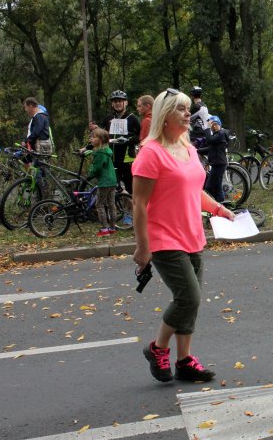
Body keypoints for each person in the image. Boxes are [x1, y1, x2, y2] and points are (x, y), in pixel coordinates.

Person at [132, 88, 234, 383]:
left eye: (188, 109)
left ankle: (185, 360)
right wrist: (142, 247)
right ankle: (157, 348)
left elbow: (193, 189)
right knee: (188, 297)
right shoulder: (151, 152)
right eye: (180, 109)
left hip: (193, 234)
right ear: (164, 116)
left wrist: (218, 209)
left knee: (192, 300)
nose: (188, 114)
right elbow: (138, 203)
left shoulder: (188, 148)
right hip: (164, 238)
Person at [88, 90, 140, 195]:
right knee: (113, 189)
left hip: (127, 160)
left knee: (131, 189)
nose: (118, 103)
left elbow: (140, 136)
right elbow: (99, 137)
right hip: (111, 159)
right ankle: (118, 210)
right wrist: (88, 147)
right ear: (112, 104)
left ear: (126, 103)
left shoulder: (132, 119)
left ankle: (134, 210)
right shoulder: (108, 118)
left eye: (120, 101)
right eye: (115, 101)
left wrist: (128, 140)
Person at [86, 128, 118, 237]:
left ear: (100, 140)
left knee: (99, 204)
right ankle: (113, 227)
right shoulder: (107, 150)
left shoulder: (99, 152)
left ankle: (104, 229)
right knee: (111, 204)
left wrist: (89, 175)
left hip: (104, 182)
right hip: (112, 180)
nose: (91, 139)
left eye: (94, 137)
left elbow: (97, 168)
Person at [198, 115, 228, 202]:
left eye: (215, 124)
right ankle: (221, 204)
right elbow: (211, 148)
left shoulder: (221, 134)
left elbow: (209, 141)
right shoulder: (217, 135)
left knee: (209, 187)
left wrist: (207, 128)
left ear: (219, 124)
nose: (213, 126)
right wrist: (198, 150)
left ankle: (218, 202)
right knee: (218, 187)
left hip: (219, 164)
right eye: (212, 124)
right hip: (217, 163)